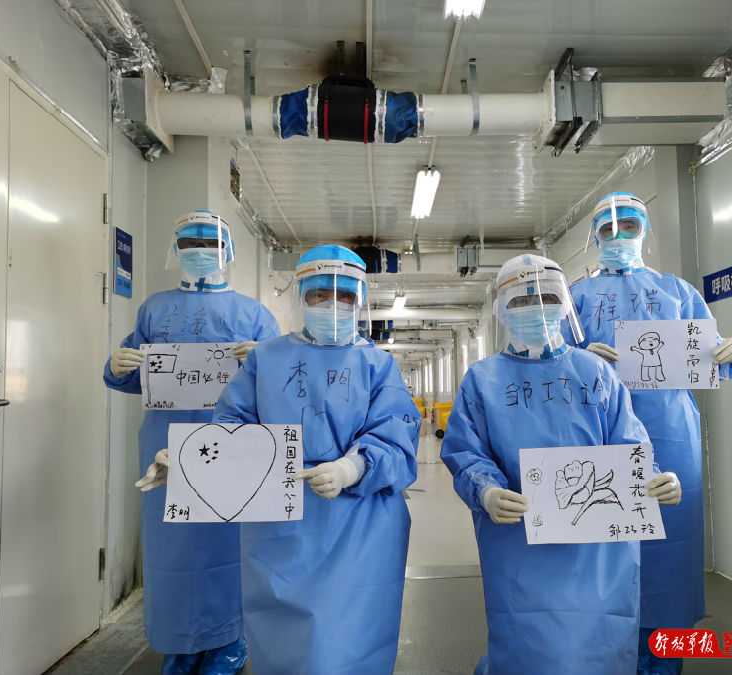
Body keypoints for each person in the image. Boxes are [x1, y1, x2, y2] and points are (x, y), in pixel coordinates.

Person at [139, 244, 420, 675]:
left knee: (348, 639)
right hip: (279, 527)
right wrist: (189, 458)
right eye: (319, 294)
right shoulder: (266, 358)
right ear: (300, 297)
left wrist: (351, 468)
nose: (332, 304)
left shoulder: (378, 365)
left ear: (360, 300)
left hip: (362, 528)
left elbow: (397, 438)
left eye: (345, 295)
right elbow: (232, 425)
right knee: (286, 641)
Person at [439, 254, 683, 675]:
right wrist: (487, 490)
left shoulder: (596, 372)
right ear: (502, 309)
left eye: (548, 297)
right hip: (519, 545)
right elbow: (467, 453)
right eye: (522, 300)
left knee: (599, 643)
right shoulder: (482, 380)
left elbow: (628, 442)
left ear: (565, 305)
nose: (536, 308)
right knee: (528, 645)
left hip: (598, 549)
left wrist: (654, 477)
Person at [566, 192, 732, 675]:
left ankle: (663, 664)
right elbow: (552, 366)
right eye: (608, 229)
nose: (618, 235)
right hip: (600, 436)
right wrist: (578, 360)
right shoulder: (576, 298)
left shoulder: (677, 292)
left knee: (670, 549)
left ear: (644, 230)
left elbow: (710, 355)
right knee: (604, 545)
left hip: (670, 436)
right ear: (596, 236)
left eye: (628, 226)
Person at [104, 210, 280, 675]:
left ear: (228, 250)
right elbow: (137, 377)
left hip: (233, 446)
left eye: (210, 243)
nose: (200, 252)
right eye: (190, 243)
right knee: (172, 548)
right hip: (165, 450)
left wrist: (267, 361)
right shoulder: (154, 309)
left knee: (230, 545)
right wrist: (118, 366)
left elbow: (283, 391)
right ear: (175, 249)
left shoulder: (254, 315)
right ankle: (179, 646)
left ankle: (228, 642)